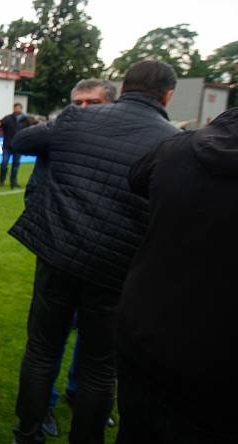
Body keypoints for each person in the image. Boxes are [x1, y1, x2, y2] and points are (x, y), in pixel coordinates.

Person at [8, 60, 179, 444]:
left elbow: (23, 142)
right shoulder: (172, 141)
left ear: (123, 86)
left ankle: (28, 432)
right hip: (115, 267)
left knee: (42, 350)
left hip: (61, 254)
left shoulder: (77, 120)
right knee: (99, 367)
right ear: (168, 95)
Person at [116, 108, 238, 444]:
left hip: (146, 335)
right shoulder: (176, 147)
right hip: (207, 365)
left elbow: (138, 179)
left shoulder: (175, 149)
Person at [38, 78, 118, 438]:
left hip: (107, 260)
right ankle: (45, 406)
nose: (83, 110)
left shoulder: (125, 141)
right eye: (78, 104)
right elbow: (23, 144)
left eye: (93, 103)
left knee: (95, 342)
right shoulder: (61, 139)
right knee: (51, 340)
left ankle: (82, 396)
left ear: (113, 106)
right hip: (62, 257)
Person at [0, 103, 29, 188]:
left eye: (19, 108)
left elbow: (29, 130)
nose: (17, 109)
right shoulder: (8, 118)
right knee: (4, 163)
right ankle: (2, 180)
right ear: (13, 109)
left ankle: (13, 181)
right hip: (7, 145)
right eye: (16, 108)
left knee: (16, 165)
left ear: (21, 109)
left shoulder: (25, 120)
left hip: (19, 146)